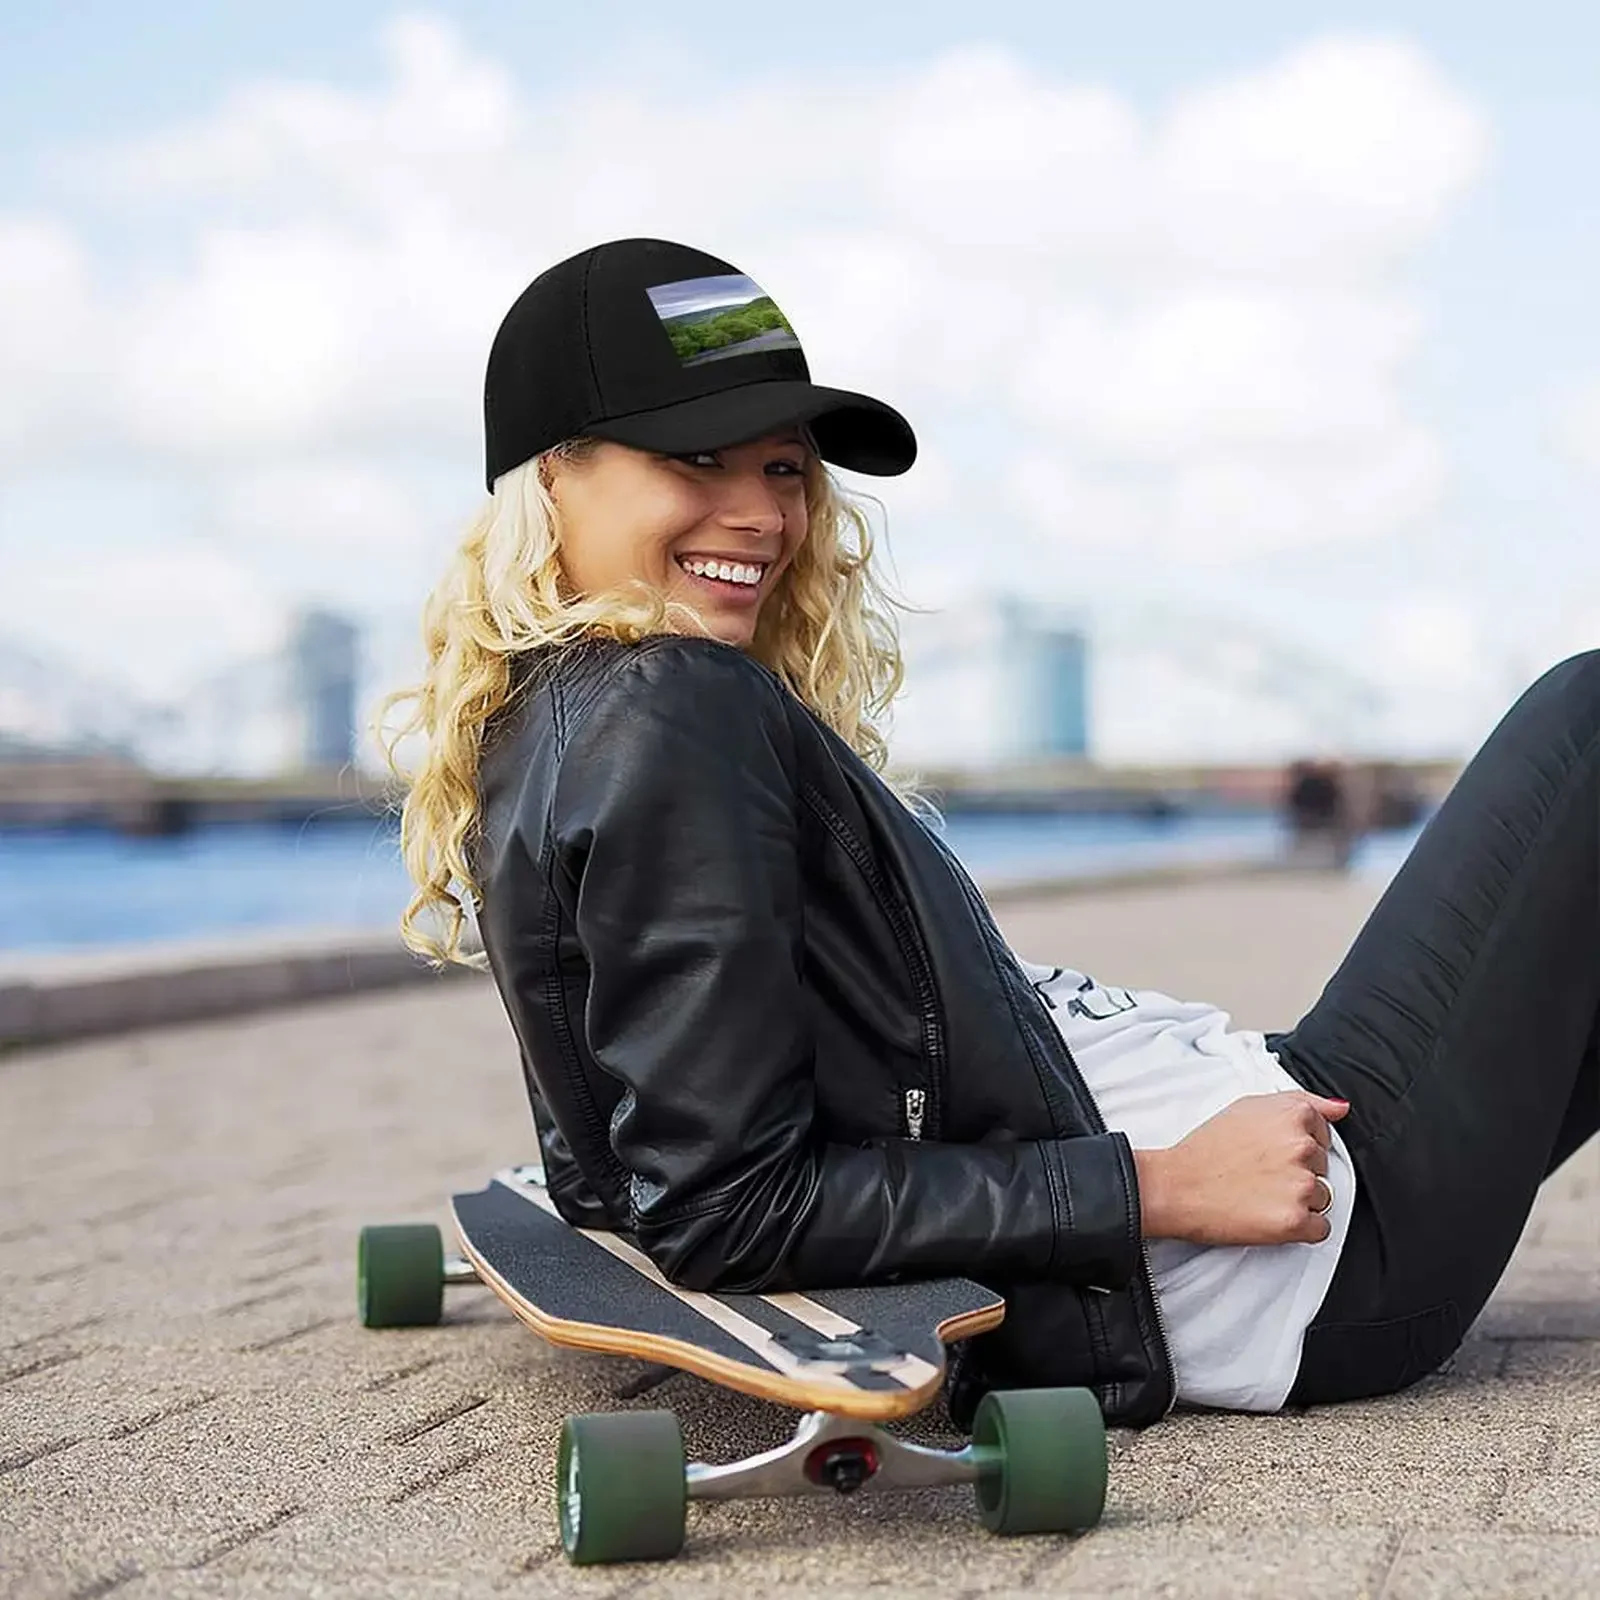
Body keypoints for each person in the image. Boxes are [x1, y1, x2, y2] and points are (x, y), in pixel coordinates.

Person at [380, 237, 1598, 1430]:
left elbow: (633, 1159)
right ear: (550, 477)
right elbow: (726, 1209)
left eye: (785, 468)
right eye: (697, 459)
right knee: (1585, 717)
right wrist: (1160, 1186)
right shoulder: (667, 707)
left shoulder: (548, 717)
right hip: (1306, 1239)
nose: (759, 514)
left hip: (1271, 1136)